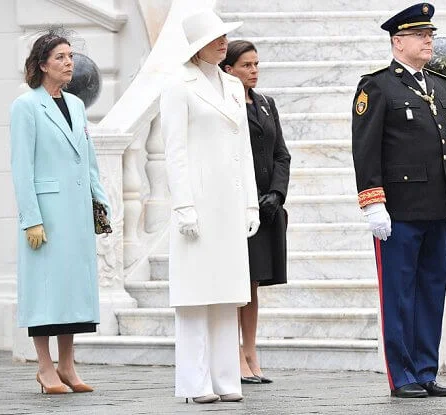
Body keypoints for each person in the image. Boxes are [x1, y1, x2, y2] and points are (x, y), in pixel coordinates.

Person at [351, 3, 446, 399]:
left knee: (431, 291)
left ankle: (425, 370)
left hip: (437, 207)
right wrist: (373, 202)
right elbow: (365, 150)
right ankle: (402, 374)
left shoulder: (439, 85)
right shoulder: (377, 86)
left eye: (431, 35)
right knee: (400, 294)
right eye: (421, 36)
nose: (429, 41)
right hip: (399, 210)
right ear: (397, 41)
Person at [159, 9, 260, 404]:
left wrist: (250, 204)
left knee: (227, 291)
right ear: (198, 45)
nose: (224, 42)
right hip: (197, 204)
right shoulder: (177, 85)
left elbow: (244, 151)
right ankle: (194, 381)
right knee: (196, 294)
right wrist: (183, 205)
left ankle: (225, 377)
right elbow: (174, 152)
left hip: (231, 204)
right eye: (216, 37)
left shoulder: (234, 87)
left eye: (224, 37)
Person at [10, 30, 110, 394]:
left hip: (78, 211)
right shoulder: (26, 106)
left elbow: (89, 159)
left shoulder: (77, 105)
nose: (69, 62)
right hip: (47, 214)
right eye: (61, 57)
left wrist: (100, 203)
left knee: (73, 289)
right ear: (42, 65)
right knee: (45, 291)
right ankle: (45, 367)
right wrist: (30, 218)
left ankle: (68, 366)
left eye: (70, 56)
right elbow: (22, 167)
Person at [220, 40, 291, 385]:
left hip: (268, 207)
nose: (253, 71)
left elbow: (281, 154)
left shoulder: (266, 104)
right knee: (238, 282)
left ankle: (250, 351)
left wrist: (276, 193)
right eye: (246, 65)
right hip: (238, 205)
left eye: (256, 64)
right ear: (228, 69)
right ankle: (233, 353)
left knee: (255, 283)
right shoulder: (224, 105)